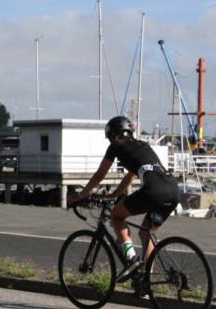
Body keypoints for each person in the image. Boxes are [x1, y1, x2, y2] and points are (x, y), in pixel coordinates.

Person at [69, 116, 179, 294]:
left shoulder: (115, 147)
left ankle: (132, 259)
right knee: (146, 233)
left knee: (116, 216)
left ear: (112, 135)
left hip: (154, 191)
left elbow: (99, 176)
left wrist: (81, 195)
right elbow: (131, 176)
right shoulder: (142, 145)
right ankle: (146, 281)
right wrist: (115, 194)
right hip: (173, 191)